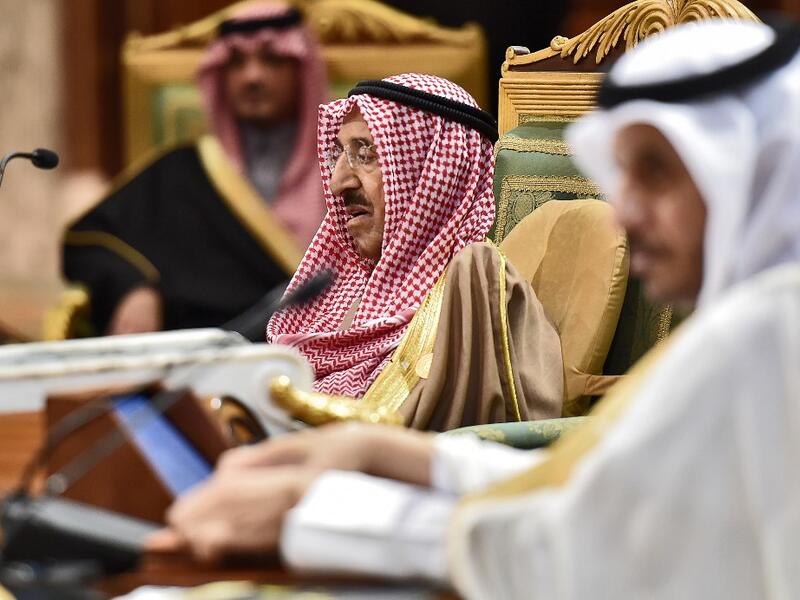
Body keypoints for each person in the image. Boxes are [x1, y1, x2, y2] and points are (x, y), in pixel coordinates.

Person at [150, 18, 800, 598]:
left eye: (657, 172)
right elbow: (580, 485)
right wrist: (378, 457)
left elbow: (578, 554)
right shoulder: (743, 327)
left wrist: (310, 516)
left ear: (755, 168)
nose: (624, 213)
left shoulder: (759, 338)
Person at [265, 73, 564, 429]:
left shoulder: (472, 294)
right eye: (340, 155)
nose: (338, 182)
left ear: (436, 174)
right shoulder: (333, 300)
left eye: (366, 154)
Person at [62, 2, 327, 337]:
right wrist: (135, 288)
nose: (252, 76)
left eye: (272, 60)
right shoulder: (182, 172)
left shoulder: (349, 173)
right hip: (194, 365)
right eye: (236, 62)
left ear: (303, 70)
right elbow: (89, 242)